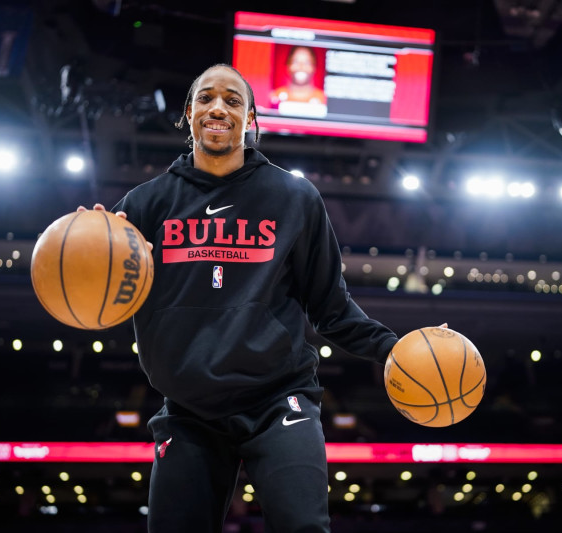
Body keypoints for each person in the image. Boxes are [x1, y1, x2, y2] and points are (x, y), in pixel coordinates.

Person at [79, 64, 424, 532]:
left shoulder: (295, 198)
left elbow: (331, 308)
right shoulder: (145, 204)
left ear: (250, 118)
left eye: (233, 100)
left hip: (278, 400)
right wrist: (88, 245)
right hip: (188, 409)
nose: (217, 107)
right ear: (188, 114)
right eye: (205, 98)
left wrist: (393, 348)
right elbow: (100, 290)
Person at [270, 46, 327, 116]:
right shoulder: (274, 97)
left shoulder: (324, 99)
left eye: (307, 63)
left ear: (314, 67)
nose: (301, 66)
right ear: (288, 65)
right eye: (295, 62)